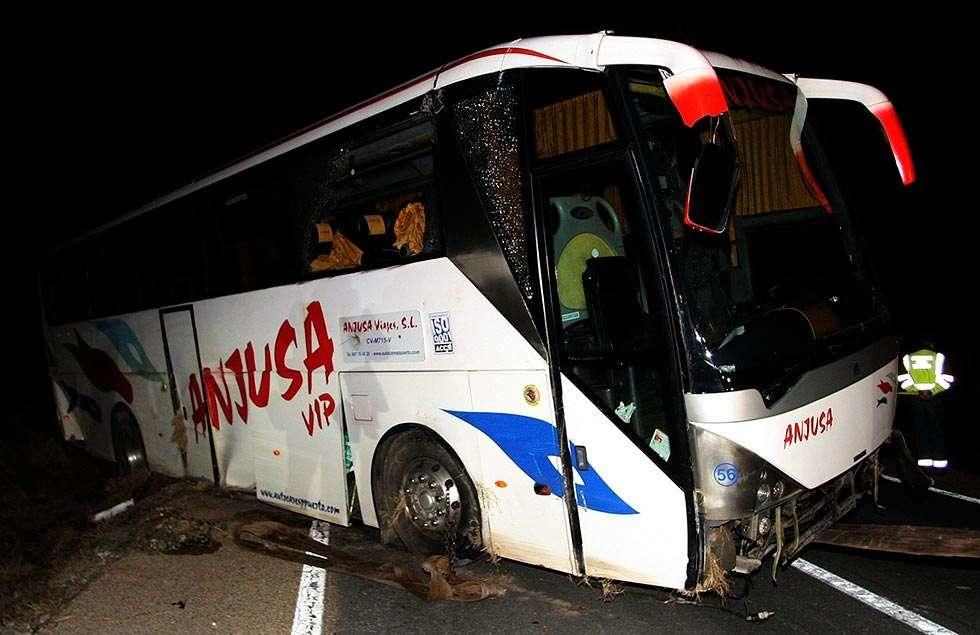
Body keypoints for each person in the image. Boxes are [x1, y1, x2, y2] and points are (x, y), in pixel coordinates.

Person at [896, 339, 954, 470]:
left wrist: (917, 390)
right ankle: (939, 464)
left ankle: (924, 463)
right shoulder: (938, 357)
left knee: (920, 430)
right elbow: (948, 379)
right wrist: (932, 391)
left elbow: (902, 379)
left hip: (916, 399)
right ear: (932, 345)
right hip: (935, 400)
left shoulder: (908, 358)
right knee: (937, 430)